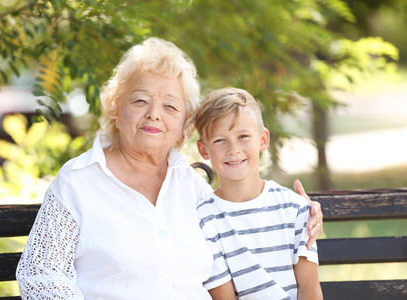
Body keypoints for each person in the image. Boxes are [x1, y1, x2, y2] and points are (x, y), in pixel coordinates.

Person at [16, 38, 323, 299]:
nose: (154, 114)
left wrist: (302, 211)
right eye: (140, 100)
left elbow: (247, 219)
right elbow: (40, 276)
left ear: (183, 123)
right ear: (115, 105)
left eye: (170, 106)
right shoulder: (78, 181)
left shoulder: (193, 188)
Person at [194, 87, 323, 300]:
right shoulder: (203, 220)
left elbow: (309, 288)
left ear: (263, 139)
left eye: (243, 136)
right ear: (204, 150)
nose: (233, 149)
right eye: (219, 140)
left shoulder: (294, 208)